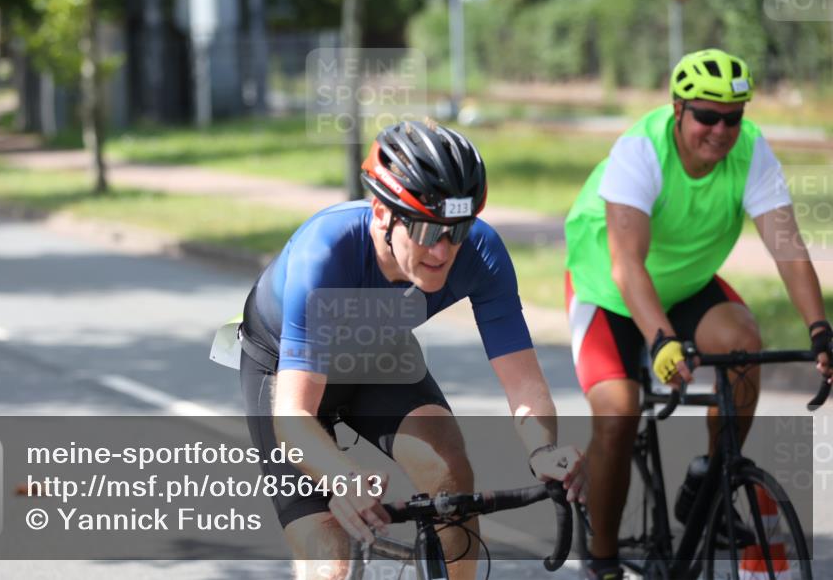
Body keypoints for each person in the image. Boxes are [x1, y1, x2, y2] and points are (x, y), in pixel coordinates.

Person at [239, 118, 585, 580]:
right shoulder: (324, 253)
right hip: (284, 368)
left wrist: (543, 449)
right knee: (331, 562)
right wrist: (342, 478)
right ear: (382, 214)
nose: (442, 251)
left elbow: (523, 380)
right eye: (425, 230)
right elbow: (293, 416)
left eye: (456, 230)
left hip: (378, 353)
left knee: (449, 472)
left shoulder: (482, 253)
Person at [563, 48, 832, 580]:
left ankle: (710, 477)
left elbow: (788, 248)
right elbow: (626, 265)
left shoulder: (751, 151)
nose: (720, 129)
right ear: (678, 109)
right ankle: (602, 557)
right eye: (707, 116)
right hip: (609, 288)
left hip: (687, 284)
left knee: (744, 345)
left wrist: (820, 330)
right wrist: (661, 339)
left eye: (733, 117)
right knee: (619, 412)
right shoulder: (641, 149)